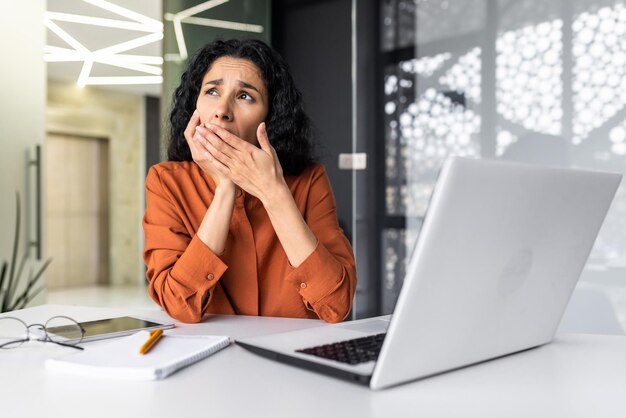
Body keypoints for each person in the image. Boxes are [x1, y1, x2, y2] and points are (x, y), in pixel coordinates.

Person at [143, 39, 356, 324]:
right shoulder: (166, 182)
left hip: (291, 356)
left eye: (245, 96)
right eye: (212, 91)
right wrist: (226, 187)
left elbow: (336, 304)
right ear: (195, 107)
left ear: (270, 116)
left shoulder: (309, 180)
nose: (222, 110)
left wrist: (274, 193)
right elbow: (179, 304)